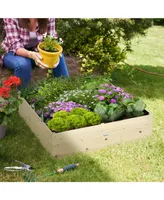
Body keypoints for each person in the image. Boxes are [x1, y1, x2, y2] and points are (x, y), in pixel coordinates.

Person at [0, 18, 69, 88]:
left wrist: (54, 57)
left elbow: (52, 39)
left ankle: (66, 93)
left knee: (58, 56)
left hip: (36, 50)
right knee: (23, 65)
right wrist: (32, 55)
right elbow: (16, 46)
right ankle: (22, 97)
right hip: (12, 52)